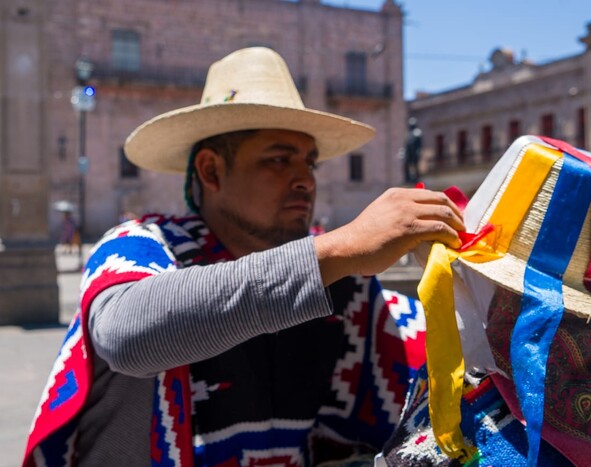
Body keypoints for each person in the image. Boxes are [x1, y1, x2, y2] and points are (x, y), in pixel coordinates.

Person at [24, 47, 465, 466]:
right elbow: (126, 335)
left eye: (309, 163)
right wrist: (342, 247)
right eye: (278, 160)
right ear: (211, 171)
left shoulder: (346, 286)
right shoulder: (140, 246)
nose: (304, 181)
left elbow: (426, 343)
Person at [403, 117, 422, 183]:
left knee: (415, 165)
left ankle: (417, 178)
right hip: (408, 152)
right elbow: (406, 144)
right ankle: (407, 179)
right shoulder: (408, 134)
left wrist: (418, 151)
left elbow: (420, 143)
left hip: (415, 151)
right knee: (406, 164)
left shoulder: (418, 132)